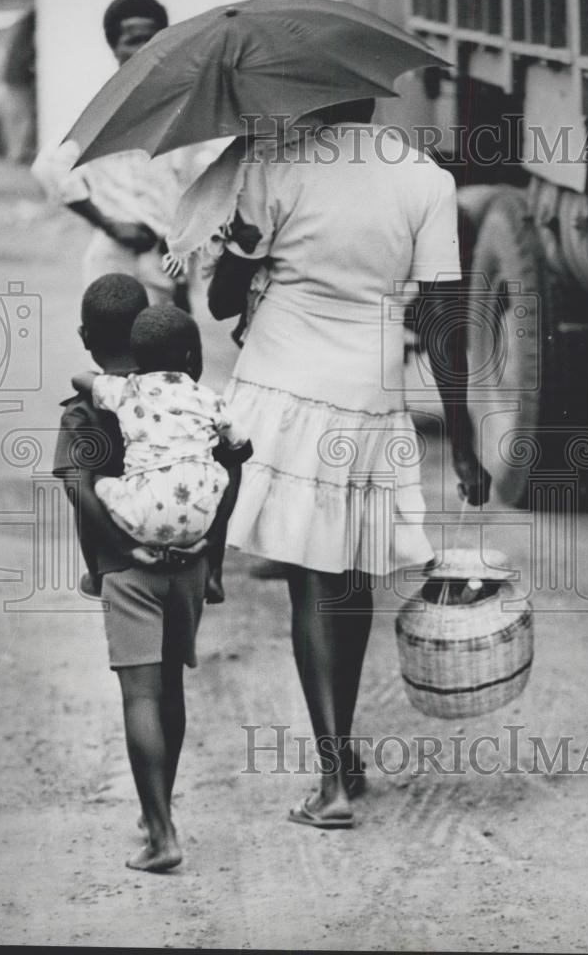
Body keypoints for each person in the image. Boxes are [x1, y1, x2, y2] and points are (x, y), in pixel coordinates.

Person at [203, 100, 492, 829]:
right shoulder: (424, 178)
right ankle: (344, 757)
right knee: (353, 578)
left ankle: (332, 778)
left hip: (286, 389)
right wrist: (461, 438)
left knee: (310, 582)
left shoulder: (270, 163)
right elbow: (440, 320)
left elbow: (218, 303)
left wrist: (241, 249)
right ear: (370, 95)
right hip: (368, 395)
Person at [52, 273, 252, 870]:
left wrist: (115, 555)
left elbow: (82, 493)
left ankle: (161, 833)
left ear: (87, 337)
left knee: (138, 694)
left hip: (126, 570)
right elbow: (230, 468)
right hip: (189, 564)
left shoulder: (86, 413)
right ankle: (158, 806)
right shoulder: (190, 401)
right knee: (170, 688)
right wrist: (212, 558)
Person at [72, 305, 249, 594]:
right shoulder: (209, 399)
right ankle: (212, 573)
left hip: (140, 523)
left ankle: (100, 571)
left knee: (95, 481)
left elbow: (79, 379)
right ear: (191, 356)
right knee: (222, 469)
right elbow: (243, 447)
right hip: (199, 525)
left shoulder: (127, 390)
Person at [32, 0, 190, 306]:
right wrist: (108, 223)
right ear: (114, 46)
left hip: (165, 256)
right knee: (117, 349)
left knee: (166, 345)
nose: (144, 48)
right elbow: (49, 166)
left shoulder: (176, 102)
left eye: (154, 39)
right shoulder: (100, 104)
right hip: (117, 258)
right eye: (134, 40)